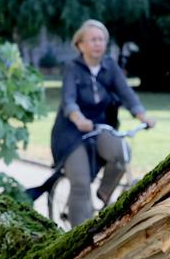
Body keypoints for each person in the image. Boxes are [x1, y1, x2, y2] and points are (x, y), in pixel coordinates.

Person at [51, 19, 156, 226]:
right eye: (92, 40)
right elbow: (68, 100)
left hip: (99, 128)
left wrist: (142, 115)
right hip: (72, 133)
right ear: (80, 44)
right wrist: (78, 118)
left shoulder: (110, 66)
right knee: (80, 184)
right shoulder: (73, 68)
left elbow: (126, 93)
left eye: (101, 39)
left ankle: (104, 193)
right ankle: (78, 242)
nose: (98, 43)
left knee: (121, 152)